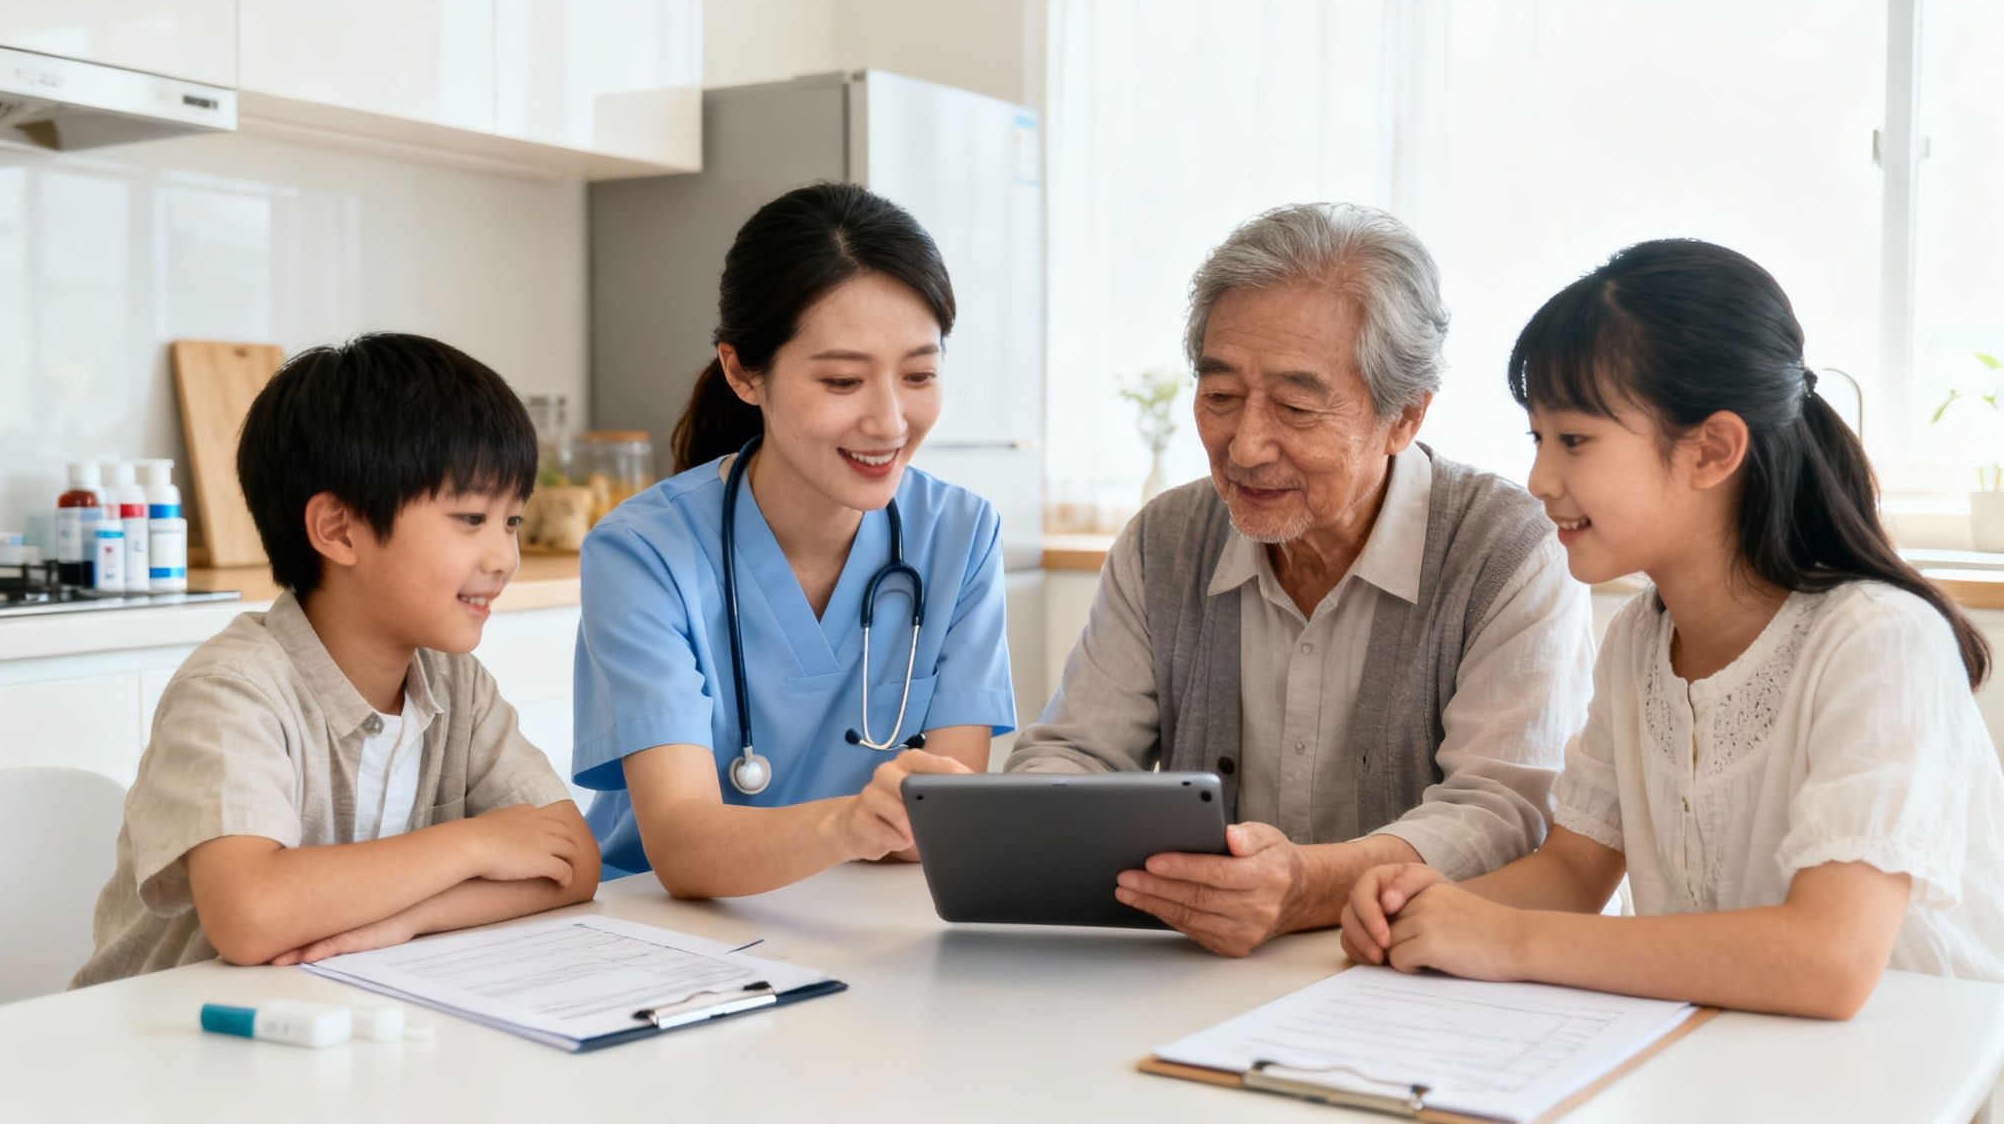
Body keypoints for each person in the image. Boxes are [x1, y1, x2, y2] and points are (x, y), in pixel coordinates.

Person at [1341, 239, 2004, 1017]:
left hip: (1915, 1079)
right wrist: (1422, 910)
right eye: (1537, 438)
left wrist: (1504, 939)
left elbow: (1829, 961)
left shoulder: (1880, 641)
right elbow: (1573, 873)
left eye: (1575, 440)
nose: (1539, 479)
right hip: (1727, 1065)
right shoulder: (1637, 641)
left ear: (1713, 449)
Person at [1007, 202, 1594, 956]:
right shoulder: (1165, 540)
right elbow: (1075, 754)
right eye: (1220, 397)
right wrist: (1038, 814)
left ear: (1404, 417)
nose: (1245, 446)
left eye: (1295, 406)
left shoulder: (1509, 548)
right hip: (1197, 974)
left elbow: (1503, 810)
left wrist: (1306, 886)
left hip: (1413, 976)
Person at [73, 334, 598, 986]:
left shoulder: (454, 683)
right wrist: (476, 843)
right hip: (161, 1045)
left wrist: (411, 918)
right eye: (470, 519)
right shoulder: (233, 691)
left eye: (511, 522)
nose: (502, 558)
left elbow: (573, 862)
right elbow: (252, 913)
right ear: (339, 530)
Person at [572, 182, 1016, 896]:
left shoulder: (960, 535)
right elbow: (683, 845)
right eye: (843, 380)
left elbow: (944, 814)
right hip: (667, 931)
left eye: (919, 374)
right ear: (743, 372)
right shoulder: (642, 553)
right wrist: (849, 825)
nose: (889, 421)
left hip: (871, 917)